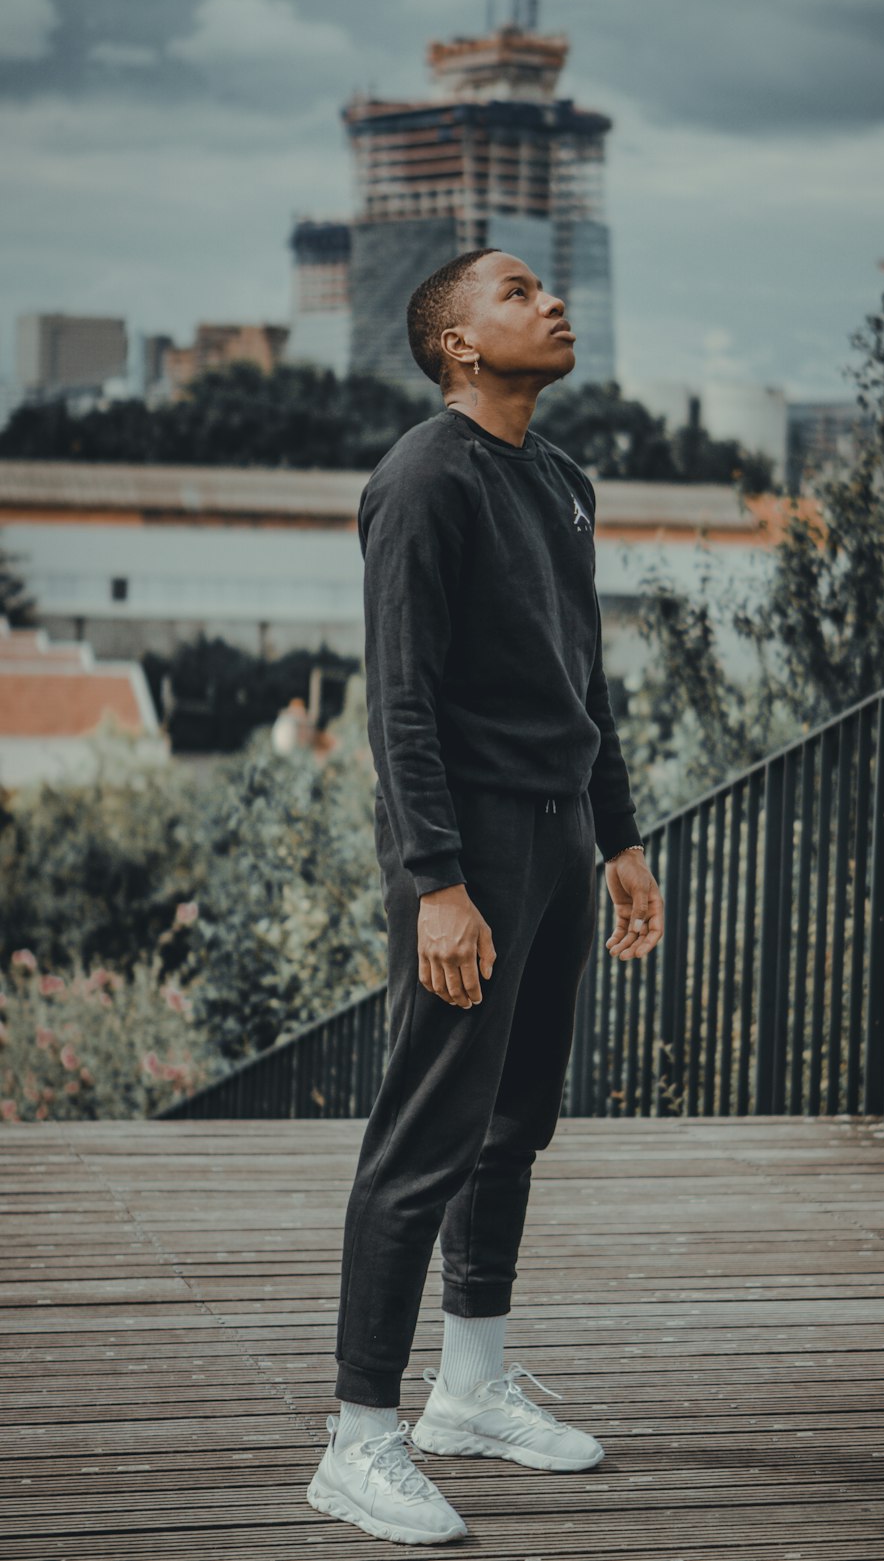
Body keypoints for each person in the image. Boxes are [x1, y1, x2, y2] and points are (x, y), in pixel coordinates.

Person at [306, 248, 664, 1544]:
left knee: (513, 1123)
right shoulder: (421, 479)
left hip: (561, 838)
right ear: (458, 343)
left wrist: (619, 840)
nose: (550, 300)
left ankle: (469, 1383)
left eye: (544, 288)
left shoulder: (560, 481)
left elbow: (585, 681)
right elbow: (400, 700)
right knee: (426, 1135)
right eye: (515, 291)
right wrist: (438, 884)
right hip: (471, 851)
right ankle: (358, 1437)